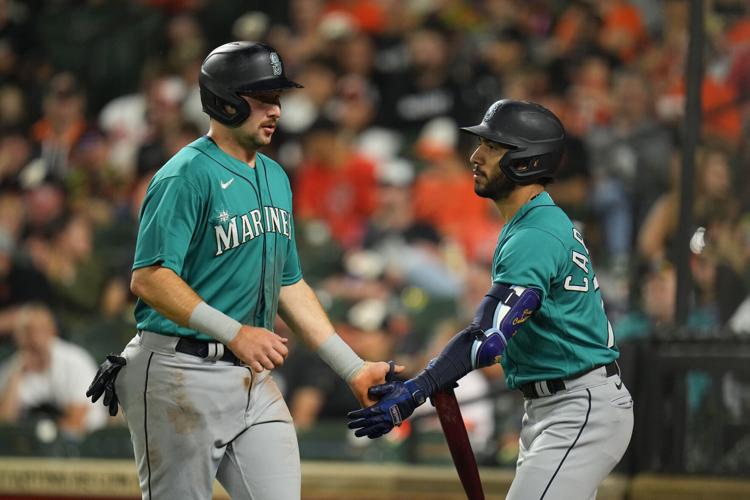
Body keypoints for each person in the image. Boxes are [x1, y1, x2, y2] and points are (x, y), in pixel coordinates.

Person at [86, 41, 397, 500]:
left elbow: (288, 283)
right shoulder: (184, 174)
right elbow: (149, 277)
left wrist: (351, 368)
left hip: (250, 377)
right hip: (177, 370)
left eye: (278, 98)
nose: (275, 110)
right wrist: (234, 332)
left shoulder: (275, 175)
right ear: (225, 100)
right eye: (262, 98)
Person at [348, 99, 634, 499]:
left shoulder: (534, 234)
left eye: (493, 147)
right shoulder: (533, 221)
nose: (475, 157)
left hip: (578, 404)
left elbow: (488, 338)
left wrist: (417, 390)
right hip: (556, 404)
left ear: (527, 161)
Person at [0, 303, 106, 436]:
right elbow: (4, 424)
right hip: (34, 445)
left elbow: (77, 420)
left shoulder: (75, 361)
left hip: (85, 443)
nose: (34, 338)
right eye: (27, 332)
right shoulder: (13, 367)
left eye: (40, 330)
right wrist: (16, 377)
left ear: (53, 332)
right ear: (18, 337)